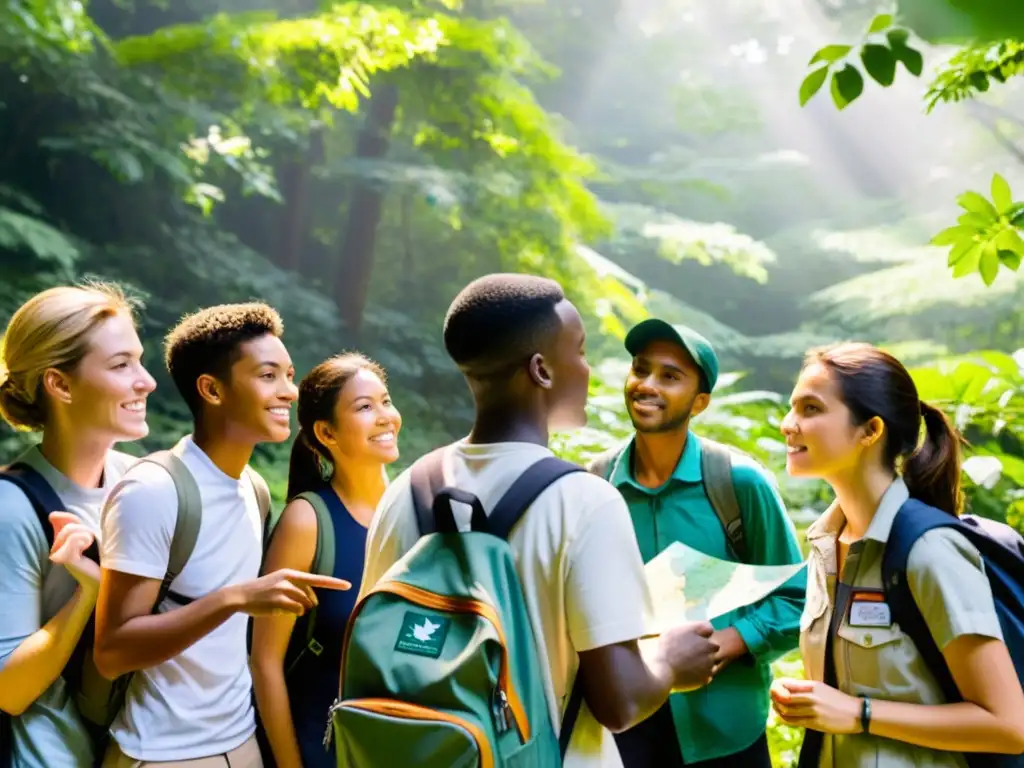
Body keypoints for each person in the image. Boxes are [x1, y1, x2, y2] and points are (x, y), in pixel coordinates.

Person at [359, 273, 720, 767]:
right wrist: (671, 661)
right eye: (581, 350)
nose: (589, 369)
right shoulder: (584, 501)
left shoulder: (404, 492)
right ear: (541, 370)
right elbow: (621, 700)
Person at [93, 303, 351, 768]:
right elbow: (112, 653)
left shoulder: (253, 489)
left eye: (289, 375)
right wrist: (233, 599)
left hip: (242, 742)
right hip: (161, 753)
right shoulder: (153, 491)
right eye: (268, 375)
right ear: (212, 389)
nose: (290, 392)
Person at [771, 342, 1024, 766]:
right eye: (792, 407)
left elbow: (1010, 725)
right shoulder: (825, 544)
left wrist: (859, 714)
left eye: (810, 409)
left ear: (870, 430)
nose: (787, 424)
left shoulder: (929, 550)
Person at [596, 319, 806, 768]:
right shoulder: (594, 484)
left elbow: (798, 596)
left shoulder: (736, 482)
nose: (647, 384)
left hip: (724, 730)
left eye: (670, 376)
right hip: (625, 725)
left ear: (700, 401)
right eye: (640, 368)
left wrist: (727, 643)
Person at [0, 283, 156, 768]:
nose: (146, 380)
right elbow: (9, 690)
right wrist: (87, 592)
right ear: (60, 385)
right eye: (120, 365)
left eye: (140, 359)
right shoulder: (11, 508)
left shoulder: (142, 482)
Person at [252, 353, 402, 768]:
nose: (386, 416)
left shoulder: (412, 508)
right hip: (318, 746)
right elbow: (265, 661)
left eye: (386, 401)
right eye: (365, 407)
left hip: (397, 743)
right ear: (326, 433)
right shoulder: (308, 521)